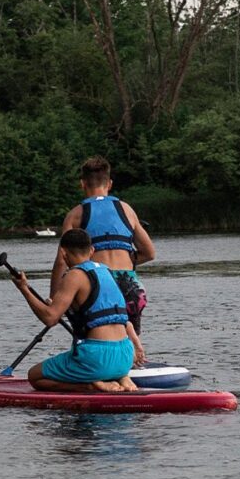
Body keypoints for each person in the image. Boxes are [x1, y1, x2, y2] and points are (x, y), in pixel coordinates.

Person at [48, 155, 154, 365]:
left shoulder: (76, 215)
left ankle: (89, 365)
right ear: (110, 184)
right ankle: (132, 364)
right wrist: (126, 263)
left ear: (82, 184)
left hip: (99, 286)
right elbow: (149, 253)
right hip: (132, 285)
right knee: (126, 340)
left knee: (88, 325)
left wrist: (54, 298)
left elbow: (62, 260)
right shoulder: (127, 210)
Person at [13, 228, 138, 392]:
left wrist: (24, 289)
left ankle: (90, 384)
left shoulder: (74, 275)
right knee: (103, 363)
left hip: (97, 358)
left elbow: (50, 318)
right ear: (92, 250)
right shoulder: (105, 271)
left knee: (35, 376)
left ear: (63, 253)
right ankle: (121, 377)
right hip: (125, 355)